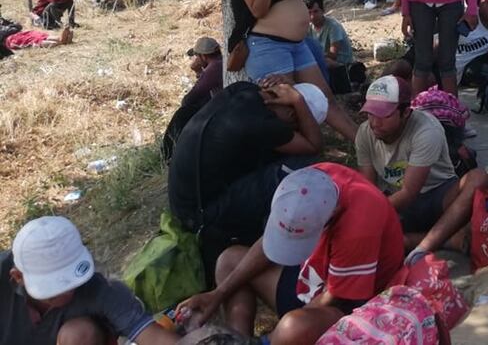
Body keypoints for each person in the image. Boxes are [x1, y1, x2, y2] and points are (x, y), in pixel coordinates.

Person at [177, 164, 404, 344]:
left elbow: (333, 297)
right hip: (311, 279)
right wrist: (216, 295)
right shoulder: (307, 183)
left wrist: (275, 337)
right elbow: (268, 244)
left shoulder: (358, 226)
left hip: (347, 306)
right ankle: (238, 339)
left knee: (292, 328)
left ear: (331, 215)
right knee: (229, 261)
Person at [168, 81, 327, 273]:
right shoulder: (262, 122)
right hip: (200, 215)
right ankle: (275, 241)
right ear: (292, 113)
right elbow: (313, 146)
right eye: (296, 126)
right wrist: (299, 100)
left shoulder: (244, 90)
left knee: (280, 155)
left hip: (186, 201)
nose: (294, 131)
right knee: (301, 164)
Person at [225, 0, 356, 141]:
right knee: (288, 109)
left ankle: (363, 144)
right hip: (267, 45)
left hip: (297, 44)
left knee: (324, 98)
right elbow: (258, 9)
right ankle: (302, 157)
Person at [354, 76, 488, 263]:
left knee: (478, 179)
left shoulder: (426, 130)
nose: (375, 123)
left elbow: (409, 192)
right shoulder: (365, 133)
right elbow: (367, 188)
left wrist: (371, 215)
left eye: (384, 116)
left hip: (437, 198)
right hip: (395, 204)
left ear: (405, 113)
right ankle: (444, 239)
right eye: (370, 114)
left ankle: (421, 247)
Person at [4, 216, 179, 345]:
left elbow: (152, 335)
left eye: (70, 282)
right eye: (52, 287)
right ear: (18, 276)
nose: (66, 292)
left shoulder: (101, 289)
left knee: (80, 333)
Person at [161, 36, 224, 160]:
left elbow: (190, 98)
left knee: (183, 114)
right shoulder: (220, 63)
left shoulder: (214, 67)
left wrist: (198, 71)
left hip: (221, 110)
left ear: (203, 57)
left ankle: (169, 154)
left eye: (197, 56)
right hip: (224, 103)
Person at [306, 0, 353, 94]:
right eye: (309, 13)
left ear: (323, 11)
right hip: (322, 58)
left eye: (315, 12)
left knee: (323, 62)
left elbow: (333, 54)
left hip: (341, 62)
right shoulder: (308, 27)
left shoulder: (333, 26)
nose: (312, 16)